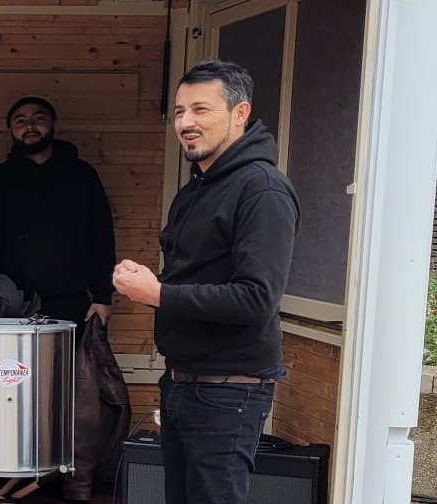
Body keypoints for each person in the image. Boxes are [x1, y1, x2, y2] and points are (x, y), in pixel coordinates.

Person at [112, 59, 300, 504]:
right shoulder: (197, 186)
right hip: (182, 384)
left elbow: (256, 299)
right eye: (179, 111)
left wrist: (158, 293)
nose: (186, 123)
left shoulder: (263, 191)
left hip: (227, 393)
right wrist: (151, 282)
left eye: (201, 109)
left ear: (240, 114)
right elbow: (199, 277)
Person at [0, 96, 117, 330]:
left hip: (70, 300)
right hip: (9, 301)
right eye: (20, 121)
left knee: (67, 367)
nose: (30, 126)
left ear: (53, 123)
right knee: (7, 368)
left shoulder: (81, 176)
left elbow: (101, 238)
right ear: (11, 130)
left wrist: (102, 296)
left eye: (38, 119)